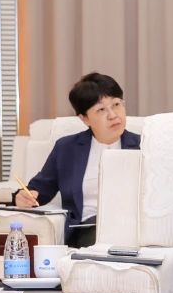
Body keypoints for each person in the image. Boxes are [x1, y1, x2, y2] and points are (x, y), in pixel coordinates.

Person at [14, 73, 141, 247]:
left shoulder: (145, 145)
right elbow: (39, 190)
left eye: (116, 105)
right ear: (84, 118)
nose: (113, 115)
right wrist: (23, 197)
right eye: (101, 110)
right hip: (90, 230)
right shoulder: (67, 149)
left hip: (137, 229)